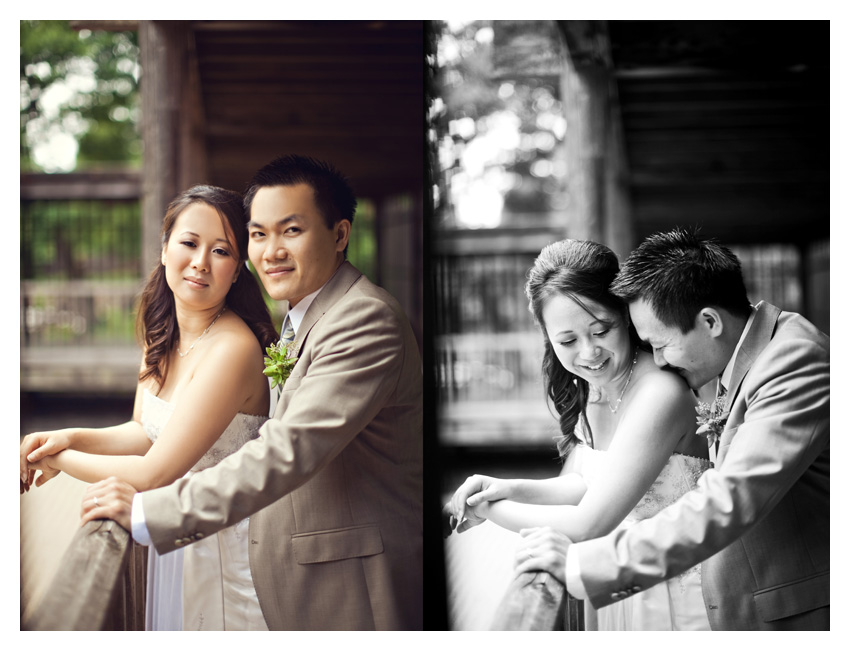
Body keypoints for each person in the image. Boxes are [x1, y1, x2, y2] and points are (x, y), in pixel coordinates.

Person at [72, 154, 423, 630]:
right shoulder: (299, 320)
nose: (271, 250)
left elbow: (286, 450)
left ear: (339, 235)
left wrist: (148, 510)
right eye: (259, 234)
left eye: (291, 231)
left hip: (350, 576)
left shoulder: (364, 319)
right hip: (281, 564)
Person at [513, 228, 829, 630]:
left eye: (661, 345)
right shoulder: (749, 356)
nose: (658, 362)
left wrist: (583, 564)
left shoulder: (793, 361)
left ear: (710, 321)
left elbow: (730, 498)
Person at [21, 185, 278, 630]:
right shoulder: (163, 334)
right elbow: (144, 431)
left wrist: (55, 458)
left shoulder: (233, 350)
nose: (200, 262)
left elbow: (155, 471)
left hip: (222, 545)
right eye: (189, 243)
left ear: (237, 271)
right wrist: (70, 436)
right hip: (173, 536)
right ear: (164, 249)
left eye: (221, 251)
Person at [446, 238, 712, 630]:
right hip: (621, 587)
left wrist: (486, 509)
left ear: (625, 315)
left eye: (600, 330)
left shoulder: (660, 393)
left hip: (674, 589)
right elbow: (590, 484)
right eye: (567, 341)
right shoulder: (597, 386)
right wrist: (506, 487)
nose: (589, 353)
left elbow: (590, 523)